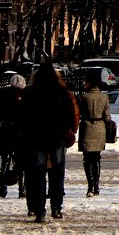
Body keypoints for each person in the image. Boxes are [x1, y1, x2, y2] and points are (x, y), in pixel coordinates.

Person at [20, 63, 79, 222]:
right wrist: (66, 130)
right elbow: (69, 113)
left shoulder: (30, 92)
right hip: (56, 137)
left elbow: (23, 117)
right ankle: (56, 207)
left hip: (36, 137)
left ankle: (40, 210)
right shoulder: (61, 92)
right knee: (57, 173)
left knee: (37, 174)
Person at [77, 75, 111, 197]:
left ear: (89, 84)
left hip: (87, 128)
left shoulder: (84, 97)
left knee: (87, 159)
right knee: (96, 159)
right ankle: (96, 186)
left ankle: (90, 185)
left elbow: (79, 112)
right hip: (99, 129)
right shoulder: (104, 97)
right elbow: (107, 116)